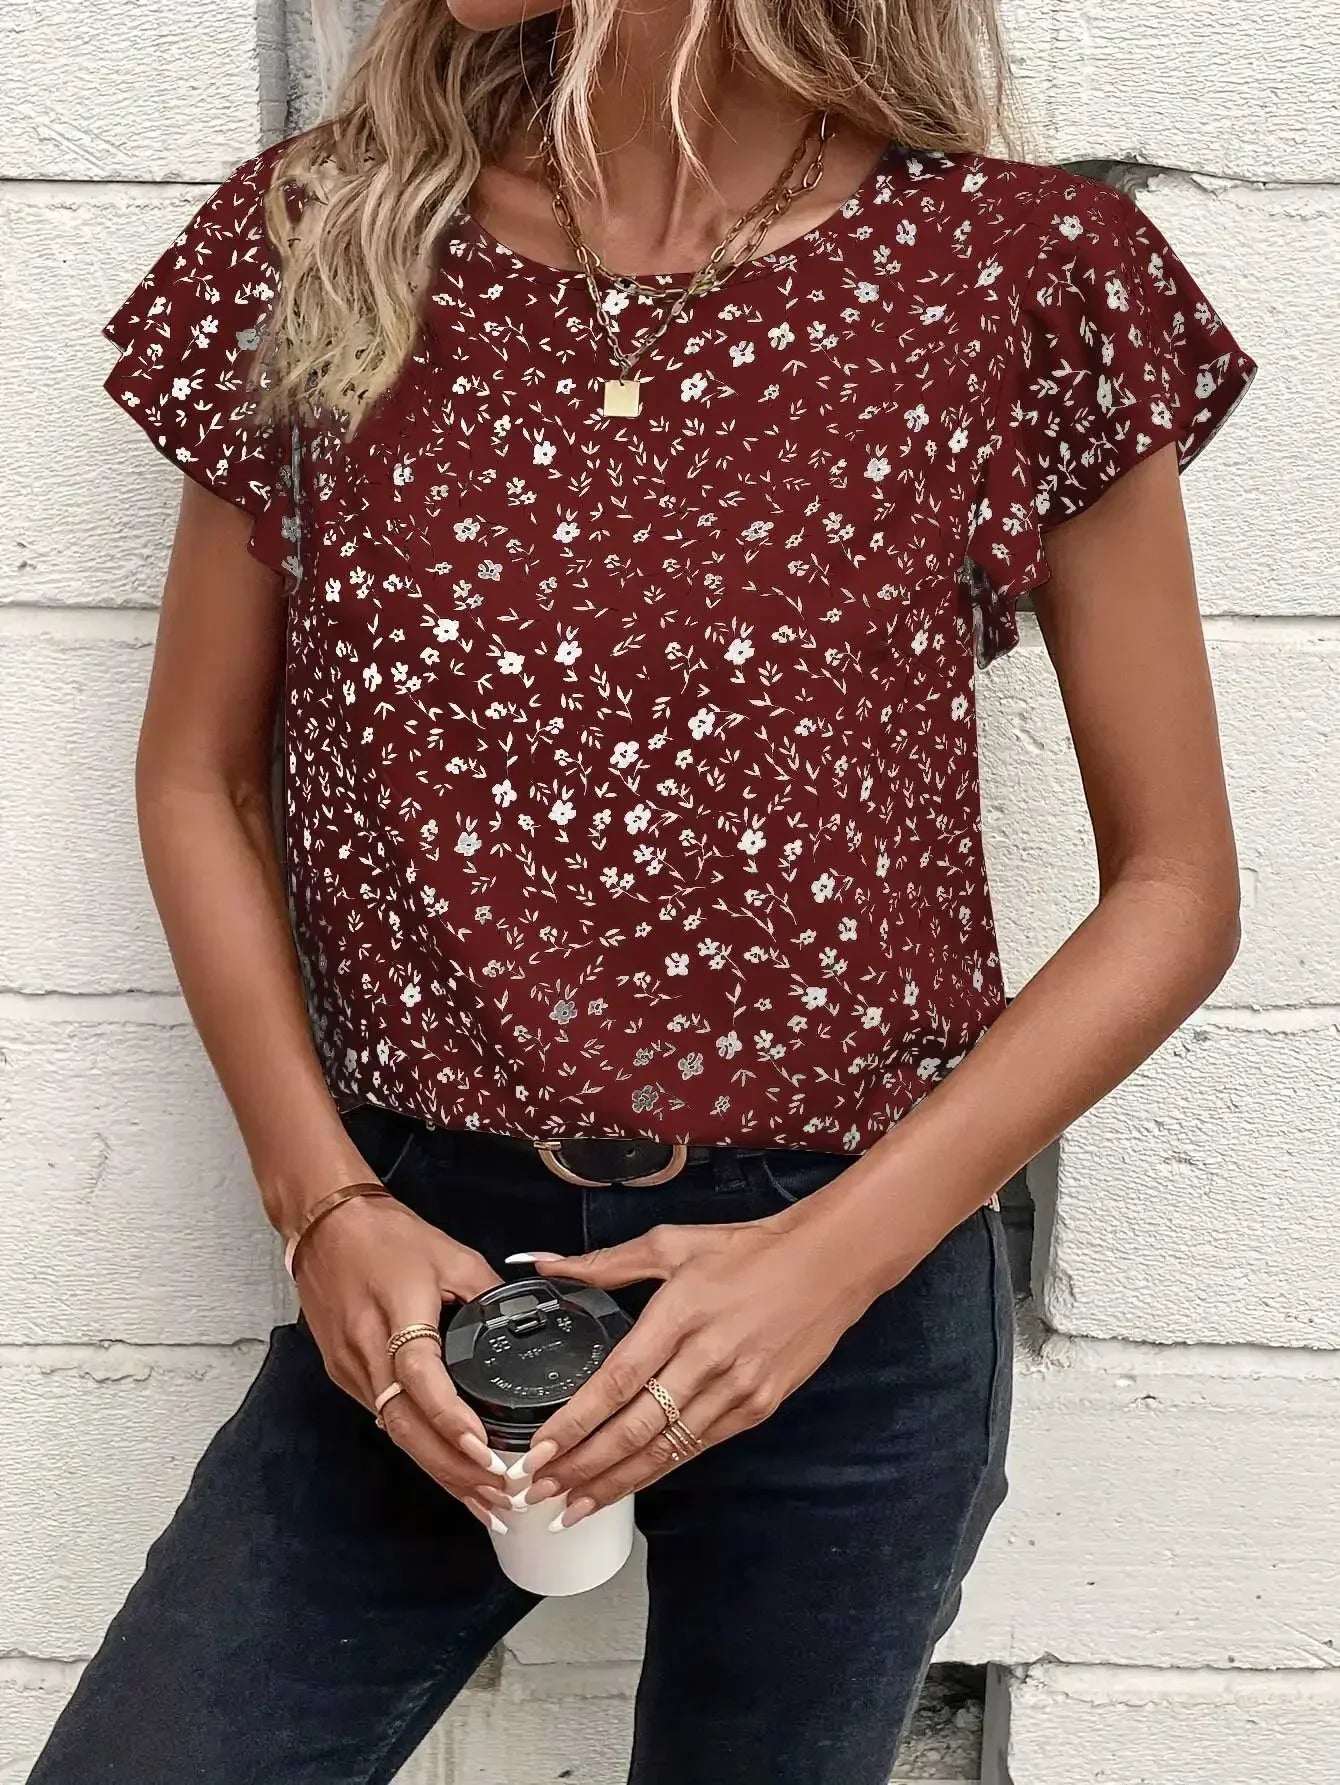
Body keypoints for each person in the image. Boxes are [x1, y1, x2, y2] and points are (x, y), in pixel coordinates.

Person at [27, 1, 1258, 1781]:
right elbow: (196, 776)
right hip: (424, 1256)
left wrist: (823, 1269)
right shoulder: (320, 236)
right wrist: (324, 1205)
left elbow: (1179, 887)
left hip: (851, 1263)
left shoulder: (1020, 273)